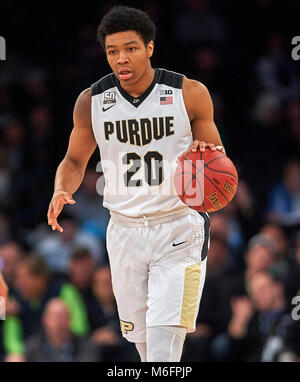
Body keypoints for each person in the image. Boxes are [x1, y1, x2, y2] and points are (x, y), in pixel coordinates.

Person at [47, 5, 225, 362]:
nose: (121, 59)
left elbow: (218, 160)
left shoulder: (187, 93)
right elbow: (74, 160)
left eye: (130, 48)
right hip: (124, 231)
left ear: (149, 48)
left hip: (178, 226)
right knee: (145, 350)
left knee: (162, 351)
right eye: (112, 51)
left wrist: (205, 152)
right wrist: (61, 187)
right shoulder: (91, 102)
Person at [25, 298, 98, 362]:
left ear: (70, 319)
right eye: (54, 317)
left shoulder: (86, 347)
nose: (59, 322)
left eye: (62, 317)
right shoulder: (32, 348)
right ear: (45, 320)